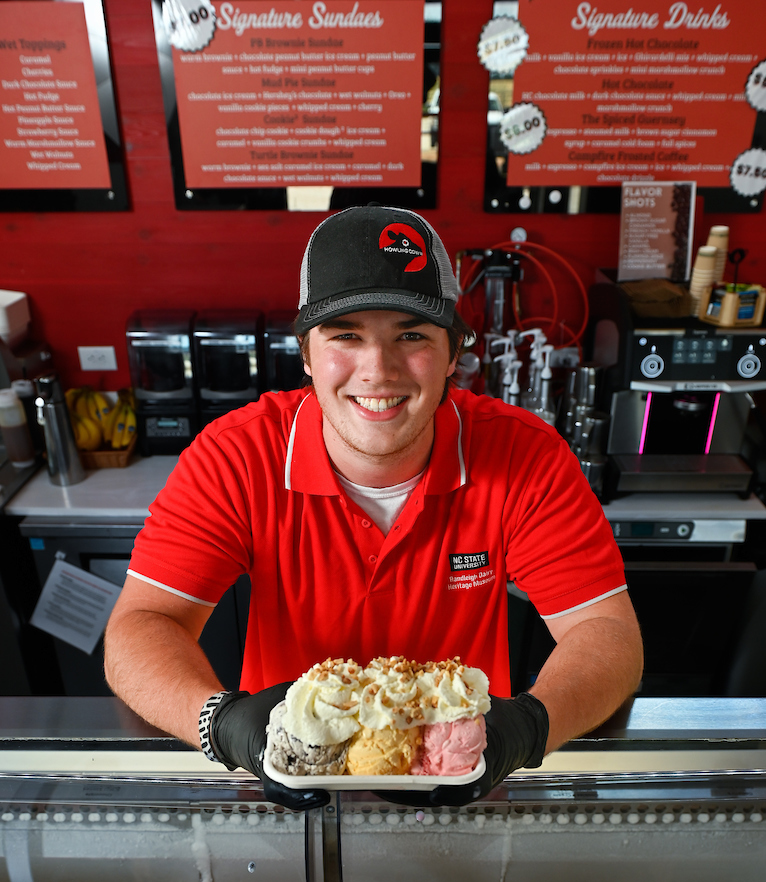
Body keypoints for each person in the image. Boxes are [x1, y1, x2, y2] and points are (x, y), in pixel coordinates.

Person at [105, 205, 642, 808]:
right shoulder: (236, 454)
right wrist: (221, 725)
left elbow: (607, 635)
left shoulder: (527, 455)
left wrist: (528, 731)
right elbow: (140, 628)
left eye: (411, 335)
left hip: (463, 774)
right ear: (306, 353)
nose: (378, 371)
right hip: (281, 772)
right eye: (346, 336)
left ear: (453, 353)